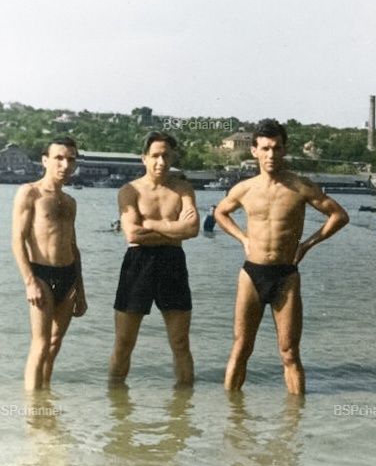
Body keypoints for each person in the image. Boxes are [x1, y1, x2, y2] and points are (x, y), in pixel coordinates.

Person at [215, 119, 349, 395]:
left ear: (284, 149)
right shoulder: (245, 189)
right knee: (241, 347)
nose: (271, 154)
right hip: (252, 274)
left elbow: (339, 215)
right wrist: (243, 238)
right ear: (254, 151)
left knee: (289, 352)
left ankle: (295, 419)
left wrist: (307, 244)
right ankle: (232, 415)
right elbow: (220, 213)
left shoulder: (300, 187)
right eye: (265, 148)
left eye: (276, 148)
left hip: (286, 276)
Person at [110, 132, 199, 387]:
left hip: (173, 263)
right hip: (138, 263)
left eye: (166, 156)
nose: (161, 162)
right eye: (155, 156)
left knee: (180, 342)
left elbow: (192, 229)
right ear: (144, 158)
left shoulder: (183, 189)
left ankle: (184, 406)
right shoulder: (130, 191)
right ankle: (116, 403)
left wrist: (150, 224)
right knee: (124, 342)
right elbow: (132, 234)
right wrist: (173, 229)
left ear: (173, 157)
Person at [11, 137, 87, 391]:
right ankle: (32, 408)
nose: (65, 164)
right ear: (45, 161)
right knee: (40, 344)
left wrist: (81, 291)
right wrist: (29, 282)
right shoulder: (30, 193)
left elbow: (74, 247)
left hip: (68, 276)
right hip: (41, 274)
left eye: (71, 159)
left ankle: (46, 399)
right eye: (59, 158)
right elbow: (17, 240)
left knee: (54, 344)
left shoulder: (70, 202)